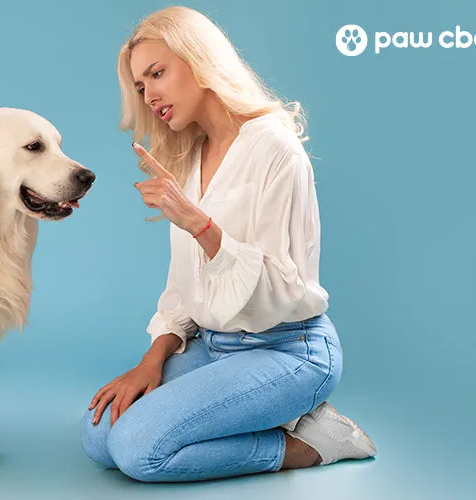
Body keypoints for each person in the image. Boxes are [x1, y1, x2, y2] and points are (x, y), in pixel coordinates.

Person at [79, 6, 377, 483]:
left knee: (138, 451)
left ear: (198, 59)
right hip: (216, 346)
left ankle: (311, 443)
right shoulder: (189, 157)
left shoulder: (275, 148)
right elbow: (184, 289)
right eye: (139, 86)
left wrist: (200, 225)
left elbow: (286, 286)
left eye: (157, 73)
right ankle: (261, 412)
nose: (149, 95)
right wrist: (151, 360)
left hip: (290, 350)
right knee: (98, 435)